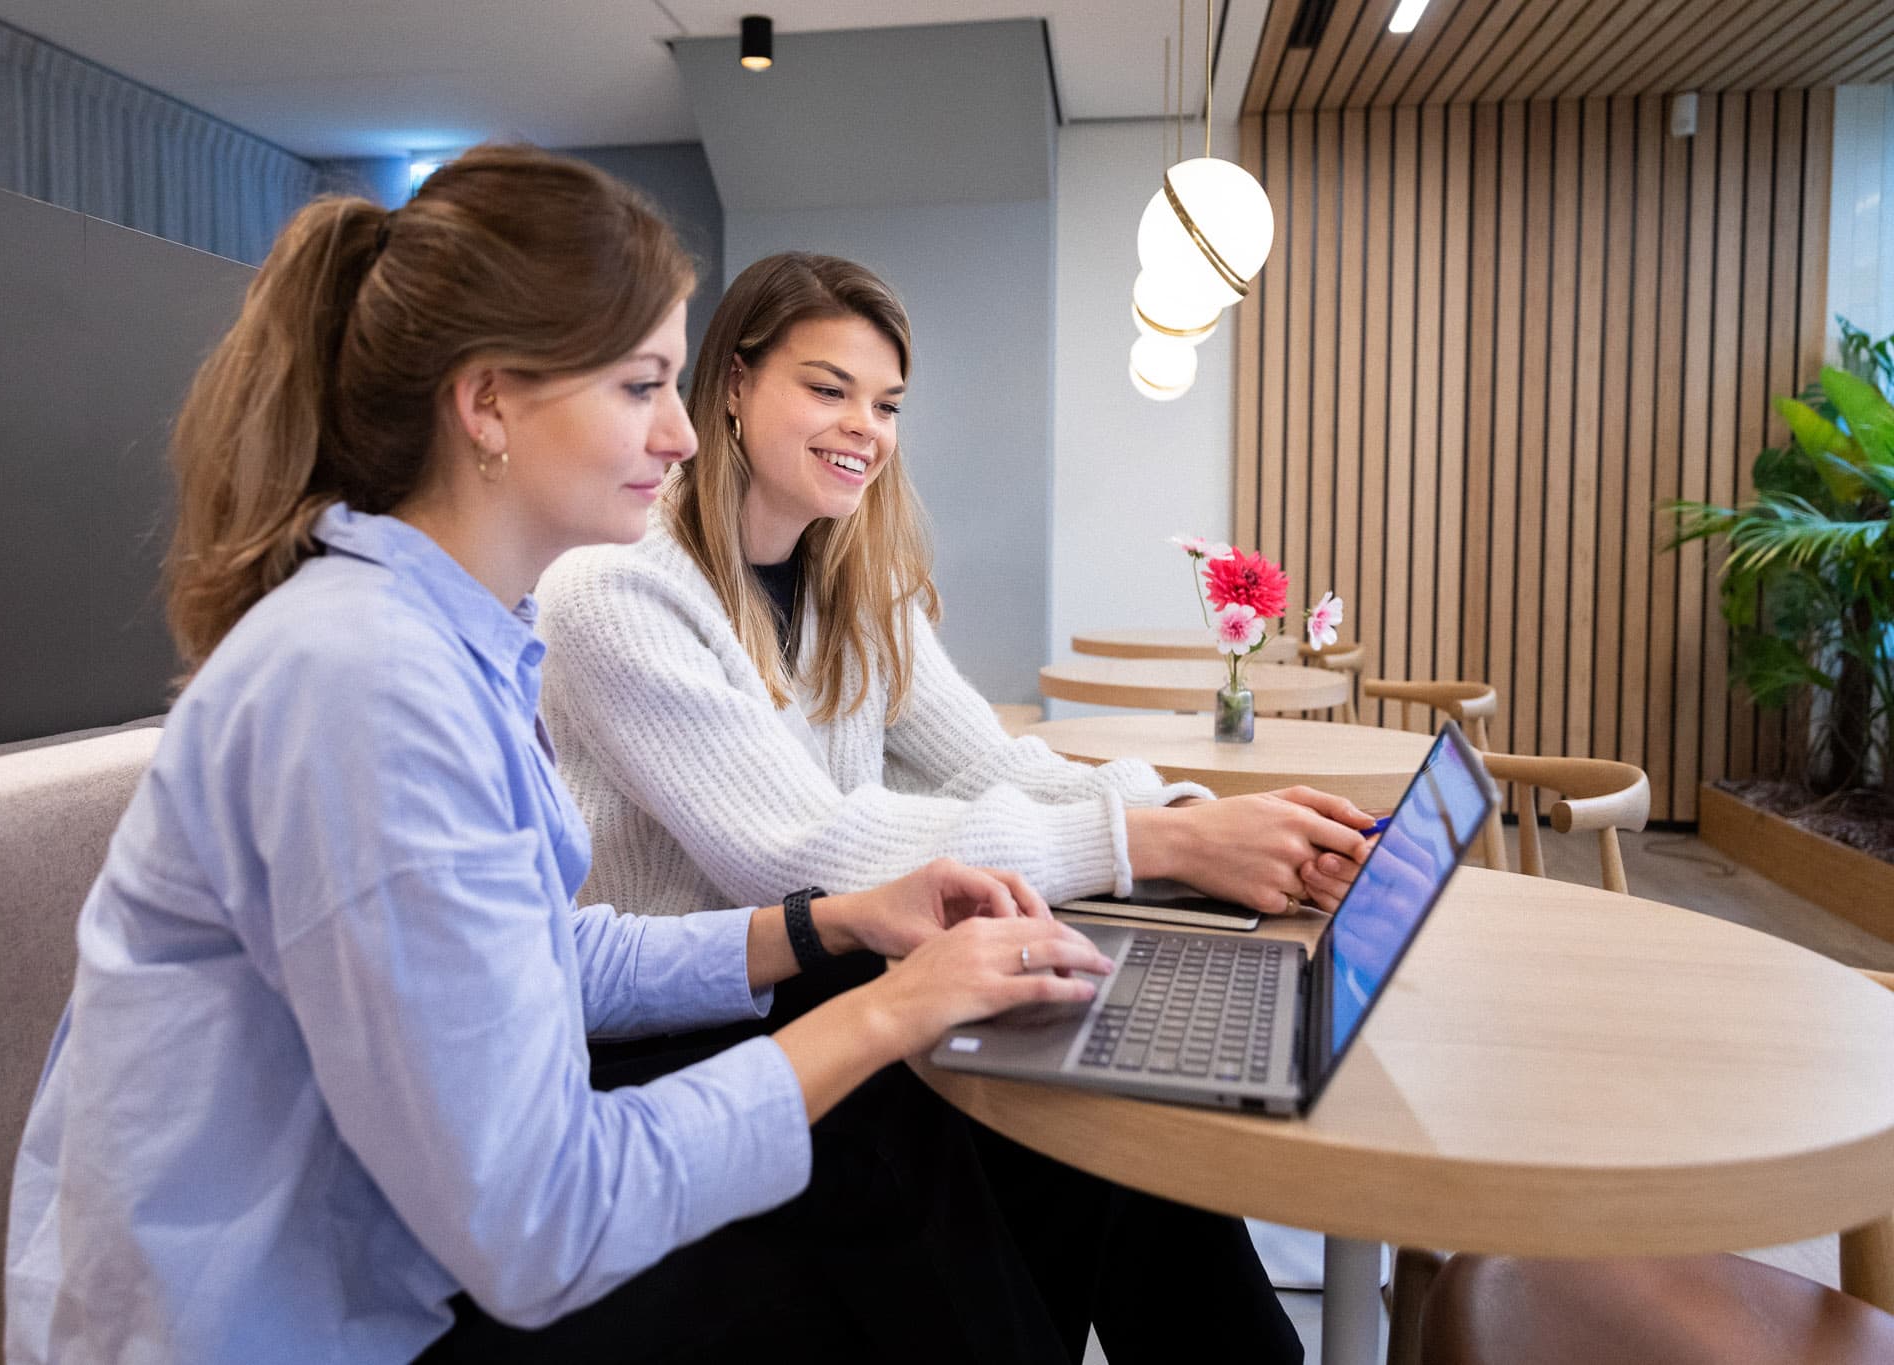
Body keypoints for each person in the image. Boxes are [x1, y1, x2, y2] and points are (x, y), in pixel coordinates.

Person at [2, 147, 1118, 1365]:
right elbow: (542, 1225)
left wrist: (836, 925)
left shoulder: (447, 640)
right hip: (319, 1326)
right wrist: (893, 1006)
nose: (684, 436)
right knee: (889, 1149)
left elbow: (535, 950)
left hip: (416, 1254)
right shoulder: (364, 683)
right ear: (487, 405)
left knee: (942, 1137)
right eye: (642, 385)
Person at [538, 251, 1379, 1360]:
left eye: (885, 404)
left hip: (819, 969)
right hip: (689, 1009)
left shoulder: (852, 575)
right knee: (978, 1122)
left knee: (1105, 1090)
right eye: (827, 388)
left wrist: (1192, 824)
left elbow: (988, 764)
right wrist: (1159, 838)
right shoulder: (618, 584)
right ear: (732, 385)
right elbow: (802, 852)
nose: (864, 428)